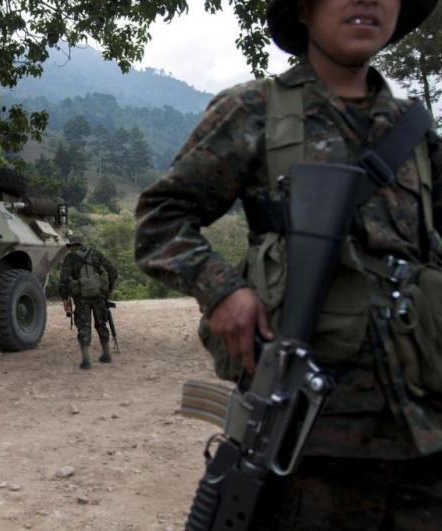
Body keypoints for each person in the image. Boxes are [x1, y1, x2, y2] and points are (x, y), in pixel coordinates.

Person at [135, 0, 442, 528]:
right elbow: (161, 219)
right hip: (309, 439)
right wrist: (223, 291)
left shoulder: (415, 132)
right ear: (304, 8)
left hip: (424, 430)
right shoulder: (255, 109)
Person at [59, 234, 119, 369]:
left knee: (84, 327)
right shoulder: (97, 254)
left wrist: (65, 299)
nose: (69, 249)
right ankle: (106, 355)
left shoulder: (70, 258)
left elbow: (63, 280)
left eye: (70, 246)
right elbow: (113, 271)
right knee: (101, 324)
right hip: (99, 296)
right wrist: (109, 289)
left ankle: (86, 360)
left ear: (73, 245)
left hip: (81, 298)